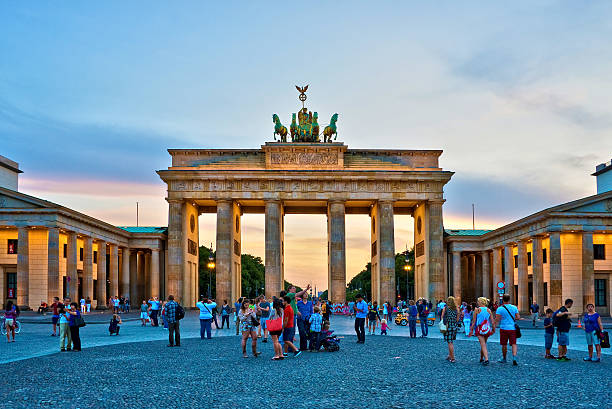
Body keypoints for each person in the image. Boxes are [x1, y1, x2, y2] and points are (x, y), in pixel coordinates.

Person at [495, 294, 520, 365]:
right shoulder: (514, 307)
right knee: (514, 343)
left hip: (503, 328)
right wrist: (512, 319)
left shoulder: (500, 309)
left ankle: (504, 358)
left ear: (502, 299)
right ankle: (514, 358)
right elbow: (518, 317)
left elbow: (497, 319)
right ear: (509, 299)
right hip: (512, 328)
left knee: (504, 344)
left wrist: (494, 327)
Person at [469, 297, 495, 365]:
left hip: (479, 329)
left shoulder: (477, 310)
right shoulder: (488, 310)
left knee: (483, 344)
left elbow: (474, 322)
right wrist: (493, 329)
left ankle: (486, 359)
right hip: (487, 329)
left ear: (480, 302)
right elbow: (492, 321)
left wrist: (471, 330)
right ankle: (481, 358)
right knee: (483, 344)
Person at [441, 296, 459, 363]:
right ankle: (449, 355)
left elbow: (442, 317)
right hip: (454, 326)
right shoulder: (457, 309)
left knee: (449, 342)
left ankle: (452, 357)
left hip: (447, 326)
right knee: (451, 341)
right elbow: (457, 319)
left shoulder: (445, 308)